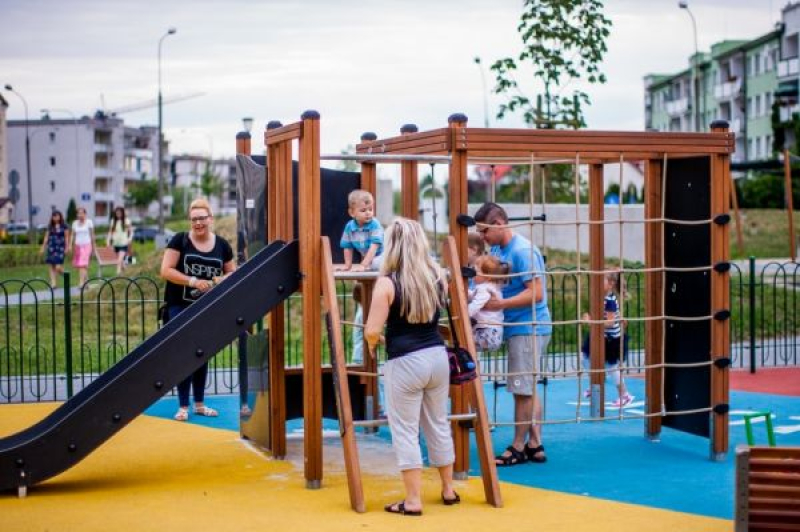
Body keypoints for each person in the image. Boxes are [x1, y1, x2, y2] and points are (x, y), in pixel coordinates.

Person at [364, 218, 459, 516]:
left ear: (391, 246)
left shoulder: (387, 282)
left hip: (405, 361)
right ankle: (448, 489)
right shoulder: (437, 276)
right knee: (438, 422)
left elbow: (372, 329)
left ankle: (414, 499)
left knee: (405, 430)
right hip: (437, 356)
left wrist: (372, 342)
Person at [474, 202, 551, 466]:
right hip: (516, 326)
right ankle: (535, 443)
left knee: (522, 389)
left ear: (498, 224)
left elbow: (537, 293)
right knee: (528, 387)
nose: (482, 237)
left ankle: (517, 447)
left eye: (484, 231)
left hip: (529, 327)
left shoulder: (523, 251)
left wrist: (500, 305)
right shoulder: (497, 249)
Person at [160, 198, 235, 422]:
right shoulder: (180, 240)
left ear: (210, 219)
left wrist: (218, 280)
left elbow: (233, 272)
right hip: (180, 305)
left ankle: (200, 404)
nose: (198, 223)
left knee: (201, 354)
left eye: (202, 218)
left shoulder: (222, 245)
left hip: (207, 308)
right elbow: (166, 270)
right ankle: (183, 406)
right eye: (194, 219)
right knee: (184, 354)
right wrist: (193, 281)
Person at [581, 270, 634, 407]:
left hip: (610, 340)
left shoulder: (610, 300)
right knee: (584, 358)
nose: (597, 283)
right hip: (600, 336)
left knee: (612, 367)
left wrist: (591, 321)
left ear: (610, 284)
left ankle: (625, 395)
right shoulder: (601, 297)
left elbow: (610, 322)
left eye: (601, 281)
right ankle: (596, 382)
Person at [336, 189, 383, 271]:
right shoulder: (349, 227)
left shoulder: (375, 225)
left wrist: (363, 265)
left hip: (383, 255)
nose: (368, 213)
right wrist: (348, 265)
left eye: (370, 209)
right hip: (370, 258)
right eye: (363, 210)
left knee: (375, 264)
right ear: (352, 213)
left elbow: (374, 247)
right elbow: (347, 247)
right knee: (372, 264)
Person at [468, 254, 505, 352]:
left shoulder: (484, 289)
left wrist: (465, 313)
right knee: (468, 345)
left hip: (488, 333)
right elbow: (474, 296)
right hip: (492, 332)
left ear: (487, 277)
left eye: (475, 271)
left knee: (464, 342)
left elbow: (476, 304)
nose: (473, 274)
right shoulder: (490, 287)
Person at [40, 210, 70, 289]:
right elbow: (46, 237)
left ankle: (65, 275)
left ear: (60, 216)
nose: (56, 218)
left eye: (57, 216)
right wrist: (43, 247)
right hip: (51, 247)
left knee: (58, 267)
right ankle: (53, 283)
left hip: (60, 248)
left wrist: (67, 247)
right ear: (52, 217)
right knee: (51, 266)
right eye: (54, 216)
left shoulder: (64, 226)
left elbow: (67, 237)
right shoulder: (50, 226)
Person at [70, 207, 95, 286]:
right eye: (78, 213)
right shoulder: (74, 223)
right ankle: (87, 283)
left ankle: (81, 283)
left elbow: (92, 235)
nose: (80, 215)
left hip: (87, 245)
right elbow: (72, 235)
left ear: (85, 214)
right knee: (81, 265)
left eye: (81, 213)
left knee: (82, 264)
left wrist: (94, 248)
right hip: (78, 246)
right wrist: (70, 245)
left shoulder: (89, 222)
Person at [107, 206, 132, 275]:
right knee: (122, 262)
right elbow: (110, 232)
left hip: (124, 243)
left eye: (119, 213)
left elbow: (131, 232)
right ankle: (128, 273)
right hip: (116, 243)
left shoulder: (126, 221)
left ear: (122, 213)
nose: (118, 214)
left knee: (119, 261)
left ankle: (117, 274)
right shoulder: (113, 221)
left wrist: (129, 239)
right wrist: (108, 241)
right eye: (117, 213)